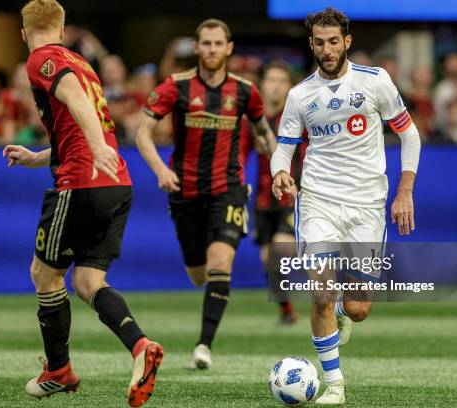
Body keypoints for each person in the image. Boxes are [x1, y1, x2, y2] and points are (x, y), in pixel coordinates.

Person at [2, 1, 162, 406]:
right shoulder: (80, 61)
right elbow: (75, 122)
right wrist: (36, 157)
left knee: (43, 273)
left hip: (81, 184)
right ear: (62, 27)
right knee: (88, 281)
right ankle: (141, 346)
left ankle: (59, 371)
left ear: (24, 33)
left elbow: (76, 101)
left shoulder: (42, 59)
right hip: (117, 183)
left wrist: (93, 148)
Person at [270, 8, 421, 404]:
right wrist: (279, 173)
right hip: (318, 199)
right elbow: (283, 148)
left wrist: (404, 191)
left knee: (357, 308)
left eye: (333, 41)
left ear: (346, 42)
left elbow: (410, 135)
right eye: (319, 42)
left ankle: (341, 307)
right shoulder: (300, 95)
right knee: (320, 290)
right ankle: (334, 383)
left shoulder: (375, 82)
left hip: (367, 204)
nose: (327, 49)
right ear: (311, 45)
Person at [135, 18, 276, 370]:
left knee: (220, 262)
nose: (212, 49)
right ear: (197, 48)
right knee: (198, 274)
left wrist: (280, 167)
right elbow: (142, 133)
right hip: (185, 192)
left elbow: (264, 134)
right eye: (206, 44)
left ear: (229, 48)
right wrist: (161, 170)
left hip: (228, 189)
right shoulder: (175, 87)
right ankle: (205, 329)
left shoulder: (246, 91)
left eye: (218, 44)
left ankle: (204, 345)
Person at [251, 61, 301, 324]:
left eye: (282, 80)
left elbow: (307, 157)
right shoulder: (253, 120)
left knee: (280, 250)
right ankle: (287, 310)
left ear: (289, 87)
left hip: (291, 196)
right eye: (271, 79)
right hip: (262, 199)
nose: (276, 86)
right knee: (267, 260)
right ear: (262, 85)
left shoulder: (296, 118)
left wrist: (301, 187)